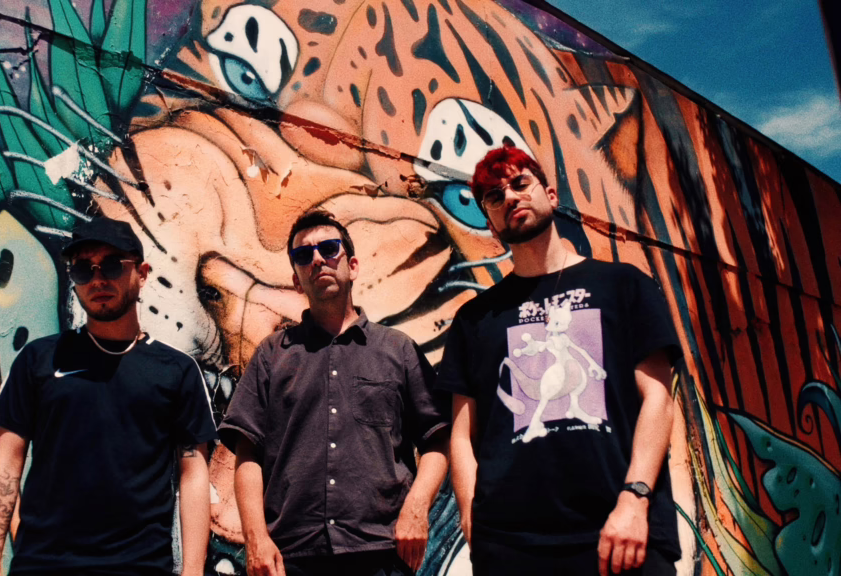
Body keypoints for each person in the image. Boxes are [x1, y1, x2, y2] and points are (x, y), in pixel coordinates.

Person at [437, 144, 681, 576]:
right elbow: (461, 434)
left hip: (620, 533)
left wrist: (635, 497)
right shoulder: (475, 319)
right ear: (491, 223)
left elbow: (659, 400)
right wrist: (473, 518)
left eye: (520, 183)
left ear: (550, 195)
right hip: (512, 547)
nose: (510, 197)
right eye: (495, 196)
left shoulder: (624, 285)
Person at [0, 217, 217, 576]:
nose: (97, 279)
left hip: (139, 568)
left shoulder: (177, 370)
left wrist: (194, 571)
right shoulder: (39, 359)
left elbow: (193, 473)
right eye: (82, 270)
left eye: (111, 265)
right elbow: (7, 460)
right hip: (42, 565)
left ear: (142, 273)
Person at [219, 211, 450, 576]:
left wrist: (417, 508)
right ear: (296, 281)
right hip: (292, 558)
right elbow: (247, 454)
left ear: (352, 266)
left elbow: (437, 442)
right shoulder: (272, 355)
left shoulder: (398, 350)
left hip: (382, 553)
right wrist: (256, 539)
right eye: (303, 255)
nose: (317, 260)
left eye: (329, 249)